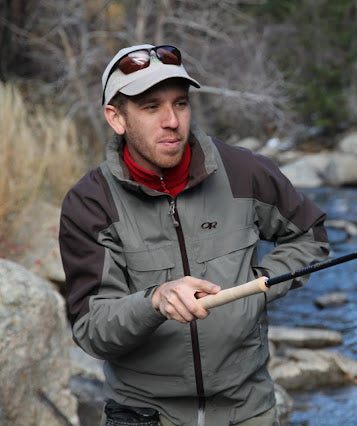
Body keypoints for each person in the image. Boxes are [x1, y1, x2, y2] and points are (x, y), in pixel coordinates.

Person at [59, 44, 330, 426]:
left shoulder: (243, 171)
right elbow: (91, 330)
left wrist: (258, 286)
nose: (172, 120)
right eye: (151, 107)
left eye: (181, 104)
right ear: (116, 117)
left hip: (248, 409)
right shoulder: (90, 203)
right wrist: (154, 301)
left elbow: (310, 236)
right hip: (144, 414)